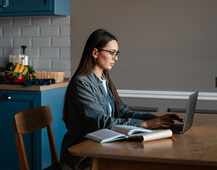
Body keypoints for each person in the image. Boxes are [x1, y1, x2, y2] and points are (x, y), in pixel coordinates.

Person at [60, 29, 182, 170]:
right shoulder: (81, 82)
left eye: (116, 53)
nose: (115, 58)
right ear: (95, 53)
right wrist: (146, 125)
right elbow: (101, 121)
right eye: (112, 53)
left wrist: (157, 120)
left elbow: (123, 111)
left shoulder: (104, 79)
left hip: (102, 148)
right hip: (83, 157)